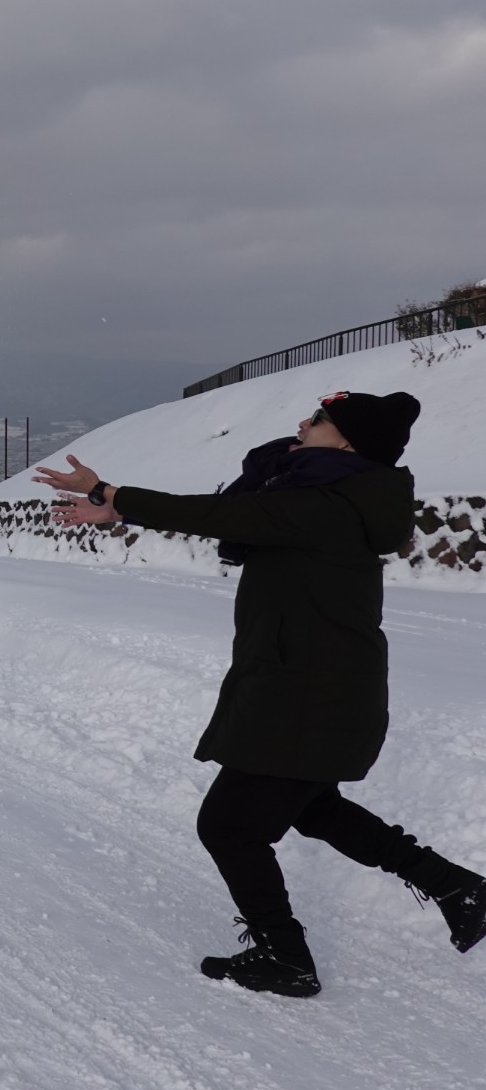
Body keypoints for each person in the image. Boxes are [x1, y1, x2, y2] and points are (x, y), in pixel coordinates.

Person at [35, 389, 485, 997]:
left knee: (228, 825)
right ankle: (458, 888)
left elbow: (220, 518)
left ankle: (287, 957)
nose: (302, 422)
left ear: (348, 441)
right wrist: (117, 506)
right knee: (313, 807)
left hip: (308, 692)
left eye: (319, 419)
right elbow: (237, 514)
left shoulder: (327, 503)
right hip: (311, 684)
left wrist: (109, 494)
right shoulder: (330, 494)